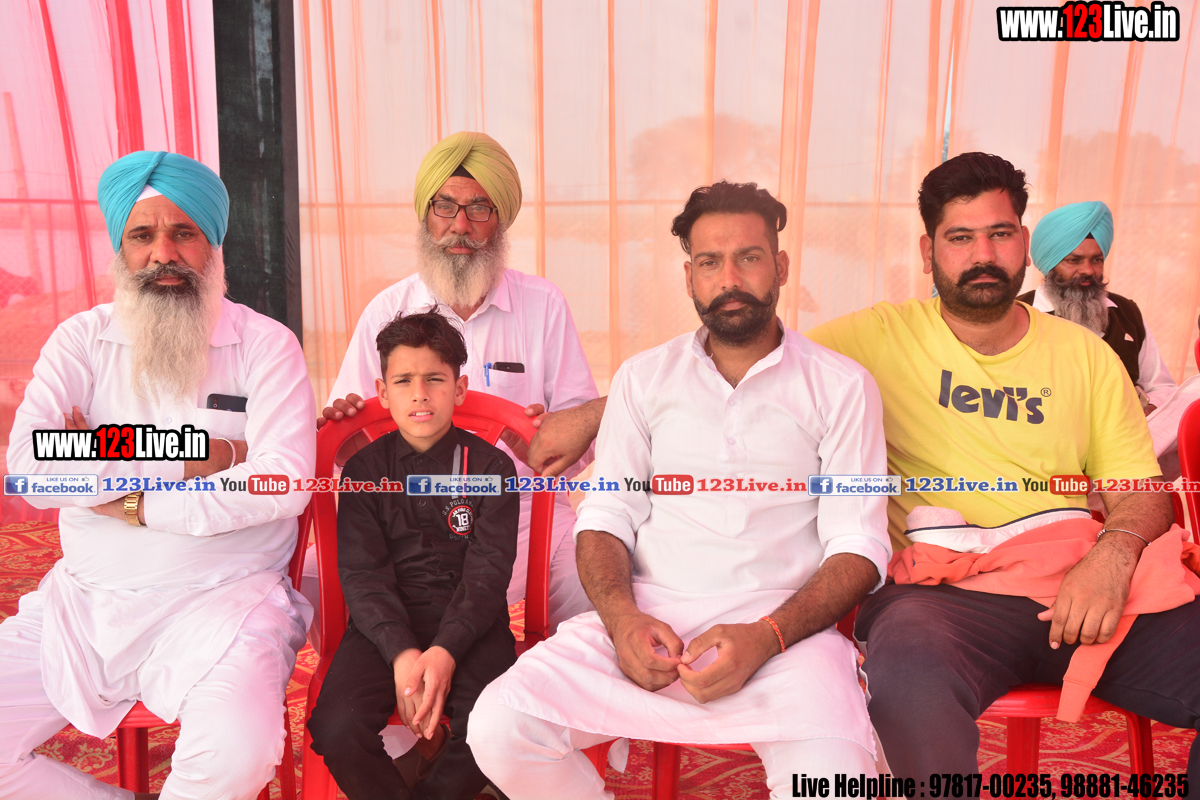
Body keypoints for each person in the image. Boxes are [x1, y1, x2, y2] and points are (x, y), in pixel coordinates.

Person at [468, 181, 892, 799]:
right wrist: (622, 621)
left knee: (835, 785)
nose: (730, 279)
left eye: (749, 257)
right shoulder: (644, 379)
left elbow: (860, 546)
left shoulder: (842, 387)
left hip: (785, 639)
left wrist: (766, 637)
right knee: (498, 729)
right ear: (689, 277)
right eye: (710, 262)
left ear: (780, 267)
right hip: (649, 623)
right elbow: (605, 516)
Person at [805, 152, 1200, 779]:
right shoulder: (873, 337)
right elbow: (757, 366)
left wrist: (1112, 557)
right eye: (960, 237)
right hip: (942, 600)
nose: (983, 254)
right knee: (908, 682)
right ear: (928, 250)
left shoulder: (1086, 356)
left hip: (1084, 586)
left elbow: (1140, 492)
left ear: (1025, 242)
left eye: (1000, 233)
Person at [1, 151, 315, 799]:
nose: (162, 253)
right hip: (84, 604)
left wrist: (122, 486)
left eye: (183, 232)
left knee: (237, 753)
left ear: (213, 244)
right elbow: (30, 470)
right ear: (121, 249)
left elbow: (282, 481)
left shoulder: (266, 345)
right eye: (142, 235)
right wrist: (197, 454)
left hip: (226, 603)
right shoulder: (81, 340)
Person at [316, 131, 596, 632]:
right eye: (445, 206)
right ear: (426, 215)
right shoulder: (387, 310)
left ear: (501, 220)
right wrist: (347, 430)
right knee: (313, 579)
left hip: (525, 512)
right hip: (407, 514)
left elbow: (584, 439)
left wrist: (546, 441)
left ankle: (553, 678)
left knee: (589, 581)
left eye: (479, 208)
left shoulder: (543, 305)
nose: (460, 226)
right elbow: (346, 446)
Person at [307, 311, 519, 800]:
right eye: (404, 381)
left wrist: (445, 651)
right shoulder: (364, 471)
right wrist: (401, 653)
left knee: (496, 725)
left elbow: (488, 575)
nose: (419, 394)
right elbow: (362, 575)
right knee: (336, 727)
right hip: (382, 625)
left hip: (473, 624)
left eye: (434, 379)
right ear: (383, 392)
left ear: (459, 389)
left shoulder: (492, 468)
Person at [1016, 200, 1176, 413]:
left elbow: (1162, 386)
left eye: (1096, 260)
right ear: (1049, 264)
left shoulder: (1127, 313)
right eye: (1074, 260)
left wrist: (1149, 409)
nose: (1088, 270)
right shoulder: (1017, 314)